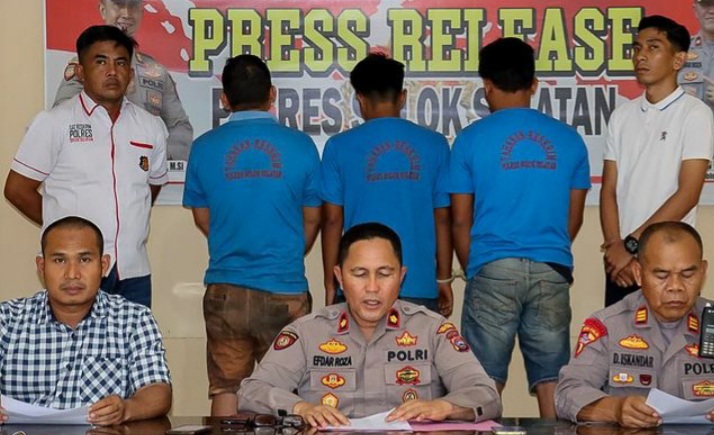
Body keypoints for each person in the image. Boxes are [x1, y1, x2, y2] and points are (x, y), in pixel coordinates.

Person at [448, 37, 590, 418]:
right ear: (534, 84)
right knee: (552, 377)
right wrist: (548, 250)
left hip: (492, 265)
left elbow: (460, 219)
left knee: (482, 380)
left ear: (487, 85)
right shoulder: (570, 140)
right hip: (552, 268)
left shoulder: (470, 140)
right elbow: (574, 217)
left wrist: (476, 266)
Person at [238, 222, 501, 427]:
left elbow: (486, 394)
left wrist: (445, 407)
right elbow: (251, 392)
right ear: (340, 277)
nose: (372, 287)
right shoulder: (307, 333)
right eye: (360, 274)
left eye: (384, 274)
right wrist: (301, 409)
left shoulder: (432, 330)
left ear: (401, 277)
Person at [182, 54, 321, 416]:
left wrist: (231, 240)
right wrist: (291, 251)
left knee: (227, 388)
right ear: (272, 94)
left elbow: (202, 217)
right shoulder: (302, 146)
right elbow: (313, 218)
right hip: (285, 287)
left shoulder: (204, 147)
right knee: (291, 395)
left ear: (225, 99)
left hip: (225, 288)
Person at [4, 25, 168, 308]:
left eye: (120, 63)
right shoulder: (54, 122)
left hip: (133, 270)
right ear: (80, 72)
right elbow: (17, 190)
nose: (112, 71)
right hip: (75, 271)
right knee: (71, 338)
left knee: (132, 338)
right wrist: (65, 228)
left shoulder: (151, 126)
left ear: (131, 73)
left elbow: (150, 187)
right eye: (101, 62)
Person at [0, 216, 171, 426]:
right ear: (41, 266)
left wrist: (127, 409)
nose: (72, 274)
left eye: (84, 260)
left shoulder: (133, 320)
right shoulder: (7, 320)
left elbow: (157, 391)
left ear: (103, 265)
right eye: (59, 260)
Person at [320, 53, 453, 316]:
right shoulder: (435, 144)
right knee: (416, 345)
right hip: (419, 282)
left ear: (360, 98)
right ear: (402, 97)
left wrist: (331, 282)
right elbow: (442, 218)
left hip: (359, 283)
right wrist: (443, 278)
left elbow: (332, 221)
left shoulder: (338, 146)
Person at [601, 15, 714, 307]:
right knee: (619, 336)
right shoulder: (621, 116)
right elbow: (609, 189)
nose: (641, 56)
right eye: (637, 48)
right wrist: (615, 249)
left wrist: (632, 245)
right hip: (621, 264)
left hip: (669, 261)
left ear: (678, 60)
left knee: (672, 337)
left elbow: (687, 194)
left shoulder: (695, 114)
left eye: (653, 47)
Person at [555, 221, 714, 428]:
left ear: (702, 272)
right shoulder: (608, 326)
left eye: (687, 274)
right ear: (638, 273)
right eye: (661, 275)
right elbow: (567, 393)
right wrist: (615, 409)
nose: (675, 287)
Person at [54, 0, 193, 161]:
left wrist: (158, 159)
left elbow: (180, 125)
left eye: (133, 5)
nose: (127, 14)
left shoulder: (156, 71)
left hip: (143, 170)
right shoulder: (84, 67)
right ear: (103, 10)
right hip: (96, 168)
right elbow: (61, 119)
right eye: (119, 4)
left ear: (141, 12)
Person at [679, 0, 714, 112]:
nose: (712, 11)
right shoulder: (676, 52)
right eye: (706, 4)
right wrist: (676, 98)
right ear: (695, 10)